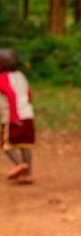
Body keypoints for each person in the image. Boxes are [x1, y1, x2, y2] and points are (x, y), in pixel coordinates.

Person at [0, 48, 34, 184]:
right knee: (25, 145)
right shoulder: (21, 75)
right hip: (27, 115)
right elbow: (29, 93)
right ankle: (28, 174)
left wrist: (14, 116)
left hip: (12, 116)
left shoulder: (2, 78)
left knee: (4, 143)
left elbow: (11, 94)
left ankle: (19, 165)